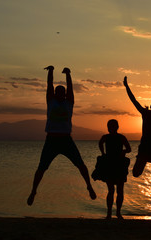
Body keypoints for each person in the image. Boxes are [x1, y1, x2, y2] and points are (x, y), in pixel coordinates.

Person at [27, 66, 96, 206]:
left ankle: (89, 186)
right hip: (51, 139)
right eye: (57, 92)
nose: (59, 93)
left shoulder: (69, 102)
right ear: (54, 94)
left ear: (64, 94)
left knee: (80, 164)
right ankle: (33, 191)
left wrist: (69, 74)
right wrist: (51, 72)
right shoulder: (50, 102)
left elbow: (70, 88)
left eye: (61, 92)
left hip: (66, 139)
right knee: (41, 167)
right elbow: (49, 86)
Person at [97, 119, 131, 219]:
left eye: (112, 126)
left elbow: (129, 149)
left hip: (118, 164)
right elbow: (100, 143)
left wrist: (123, 152)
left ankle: (117, 213)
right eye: (110, 126)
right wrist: (103, 153)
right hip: (110, 164)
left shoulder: (121, 137)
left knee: (118, 190)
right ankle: (110, 213)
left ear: (116, 127)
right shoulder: (106, 137)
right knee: (112, 190)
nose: (111, 128)